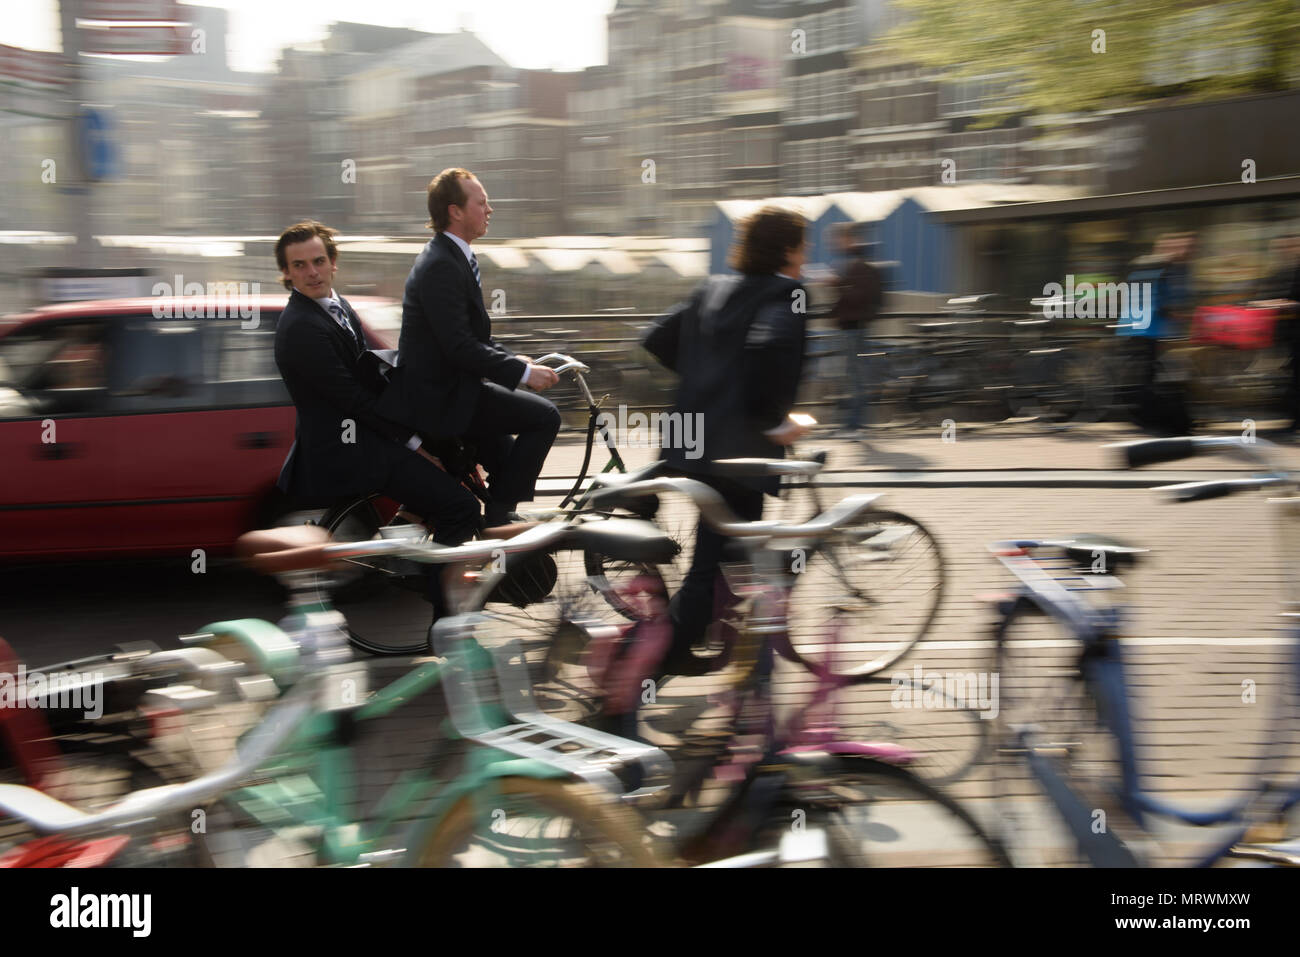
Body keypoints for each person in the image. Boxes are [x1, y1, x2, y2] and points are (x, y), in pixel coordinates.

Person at [272, 220, 480, 618]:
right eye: (299, 266)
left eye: (318, 261)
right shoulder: (301, 328)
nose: (311, 272)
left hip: (366, 433)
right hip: (348, 446)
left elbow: (375, 369)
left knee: (452, 459)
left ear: (333, 263)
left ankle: (407, 541)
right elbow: (353, 400)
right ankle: (444, 619)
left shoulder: (335, 305)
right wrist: (415, 445)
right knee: (462, 509)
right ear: (286, 273)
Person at [641, 205, 811, 676]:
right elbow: (766, 350)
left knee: (722, 554)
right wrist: (773, 421)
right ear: (788, 249)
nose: (807, 252)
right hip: (737, 450)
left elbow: (656, 338)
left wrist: (705, 381)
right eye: (802, 243)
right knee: (716, 559)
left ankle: (726, 649)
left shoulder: (713, 287)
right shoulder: (789, 293)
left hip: (690, 436)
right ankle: (666, 655)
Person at [377, 168, 561, 528]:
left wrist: (513, 360)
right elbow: (458, 346)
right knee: (545, 417)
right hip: (444, 397)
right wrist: (523, 374)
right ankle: (499, 520)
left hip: (455, 389)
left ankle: (500, 543)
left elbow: (471, 337)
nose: (489, 209)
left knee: (508, 458)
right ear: (455, 211)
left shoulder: (452, 257)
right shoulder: (442, 265)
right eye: (482, 202)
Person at [829, 229, 884, 436]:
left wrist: (837, 284)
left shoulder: (858, 265)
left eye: (840, 238)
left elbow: (856, 296)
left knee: (855, 377)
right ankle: (852, 424)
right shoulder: (856, 264)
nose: (836, 244)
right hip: (853, 327)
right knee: (853, 376)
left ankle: (854, 424)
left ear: (851, 240)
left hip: (855, 327)